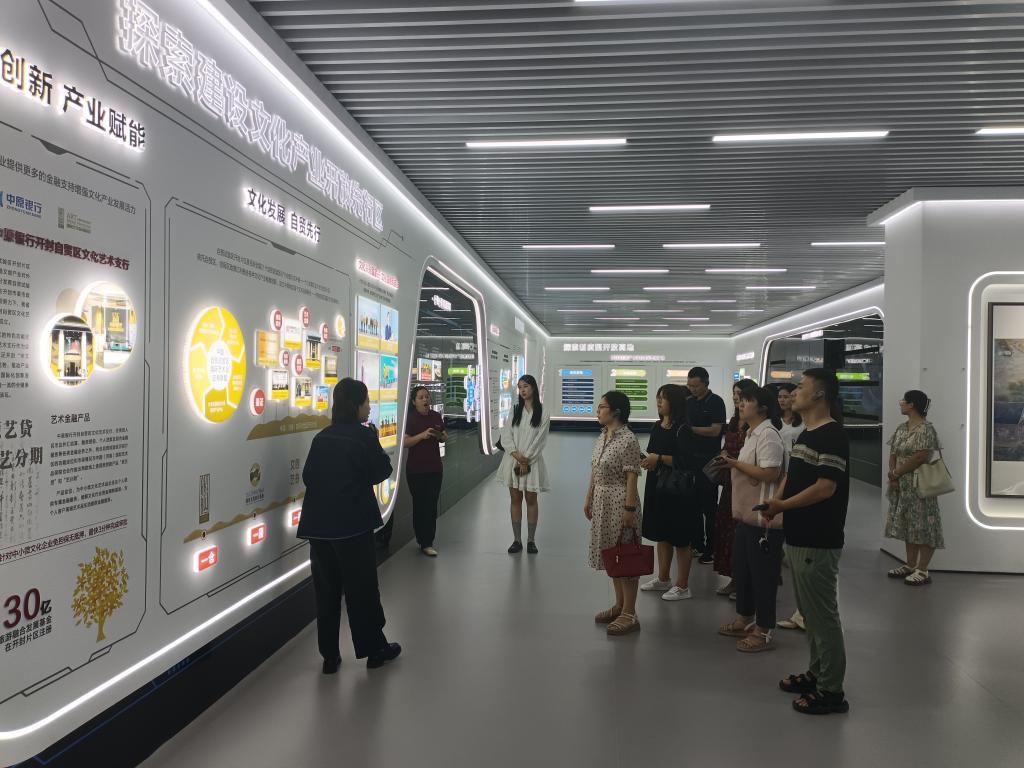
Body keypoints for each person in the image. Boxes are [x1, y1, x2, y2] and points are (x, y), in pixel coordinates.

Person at [298, 378, 402, 673]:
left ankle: (330, 656)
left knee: (326, 591)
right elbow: (381, 470)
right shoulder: (363, 435)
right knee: (362, 590)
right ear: (356, 405)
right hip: (352, 526)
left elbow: (308, 476)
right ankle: (374, 649)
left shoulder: (322, 437)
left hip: (319, 527)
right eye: (366, 402)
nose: (369, 407)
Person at [763, 368, 850, 715]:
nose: (794, 392)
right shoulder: (806, 434)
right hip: (799, 535)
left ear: (819, 394)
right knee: (810, 615)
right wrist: (777, 502)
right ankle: (817, 672)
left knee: (822, 616)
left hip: (819, 537)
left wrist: (782, 506)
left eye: (801, 387)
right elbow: (793, 476)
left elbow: (825, 488)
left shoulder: (832, 435)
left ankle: (831, 690)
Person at [718, 386, 787, 652]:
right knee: (743, 569)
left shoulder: (768, 434)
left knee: (763, 575)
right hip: (746, 515)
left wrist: (735, 464)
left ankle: (765, 628)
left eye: (747, 401)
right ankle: (744, 617)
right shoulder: (752, 433)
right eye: (740, 400)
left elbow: (771, 473)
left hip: (763, 517)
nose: (741, 404)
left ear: (763, 408)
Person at [586, 391, 646, 636]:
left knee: (626, 555)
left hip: (620, 500)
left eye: (602, 407)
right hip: (602, 501)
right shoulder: (603, 435)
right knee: (614, 554)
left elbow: (632, 476)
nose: (598, 411)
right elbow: (594, 469)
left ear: (616, 412)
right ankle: (620, 605)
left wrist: (629, 509)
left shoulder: (628, 439)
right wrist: (589, 497)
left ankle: (630, 613)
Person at [640, 384, 702, 601]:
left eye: (663, 398)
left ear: (674, 402)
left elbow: (687, 461)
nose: (659, 402)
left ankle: (683, 585)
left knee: (680, 537)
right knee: (662, 534)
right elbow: (652, 452)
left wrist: (658, 458)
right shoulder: (657, 426)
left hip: (677, 488)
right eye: (658, 397)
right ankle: (663, 578)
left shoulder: (683, 429)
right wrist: (649, 460)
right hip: (657, 484)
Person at [885, 390, 945, 585]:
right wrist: (893, 475)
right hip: (902, 485)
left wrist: (896, 473)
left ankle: (923, 569)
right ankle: (910, 564)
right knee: (909, 524)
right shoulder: (901, 428)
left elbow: (920, 456)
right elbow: (893, 453)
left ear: (912, 404)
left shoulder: (926, 429)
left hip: (920, 485)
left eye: (904, 400)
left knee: (925, 525)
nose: (900, 403)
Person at [712, 379, 757, 596]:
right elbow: (726, 446)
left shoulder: (756, 426)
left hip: (748, 485)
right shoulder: (733, 421)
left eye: (741, 394)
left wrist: (734, 461)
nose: (737, 398)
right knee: (728, 532)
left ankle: (746, 582)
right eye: (735, 393)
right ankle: (733, 577)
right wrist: (723, 455)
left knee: (743, 534)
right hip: (731, 484)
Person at [496, 374, 550, 554]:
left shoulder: (543, 412)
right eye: (520, 387)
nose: (522, 390)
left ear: (533, 387)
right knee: (515, 499)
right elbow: (506, 434)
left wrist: (526, 458)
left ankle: (531, 541)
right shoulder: (515, 410)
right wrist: (517, 455)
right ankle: (517, 540)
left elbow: (540, 440)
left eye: (525, 386)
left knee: (531, 500)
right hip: (513, 461)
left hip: (532, 463)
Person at [686, 367, 728, 564]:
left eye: (696, 386)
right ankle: (697, 544)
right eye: (689, 385)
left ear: (706, 383)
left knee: (709, 507)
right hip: (690, 461)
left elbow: (715, 431)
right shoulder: (688, 402)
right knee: (692, 504)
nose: (692, 389)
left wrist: (691, 430)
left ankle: (711, 549)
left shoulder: (716, 402)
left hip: (708, 461)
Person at [775, 381, 806, 631]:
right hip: (780, 475)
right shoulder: (775, 423)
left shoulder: (805, 426)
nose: (785, 400)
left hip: (795, 478)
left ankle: (805, 615)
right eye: (782, 397)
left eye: (789, 396)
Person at [404, 386, 449, 557]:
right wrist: (422, 435)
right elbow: (405, 442)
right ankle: (422, 539)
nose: (425, 400)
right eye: (421, 397)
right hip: (416, 470)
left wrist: (441, 436)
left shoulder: (436, 416)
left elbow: (444, 436)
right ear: (414, 402)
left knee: (431, 505)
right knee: (420, 505)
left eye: (427, 397)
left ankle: (427, 542)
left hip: (435, 469)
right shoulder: (410, 418)